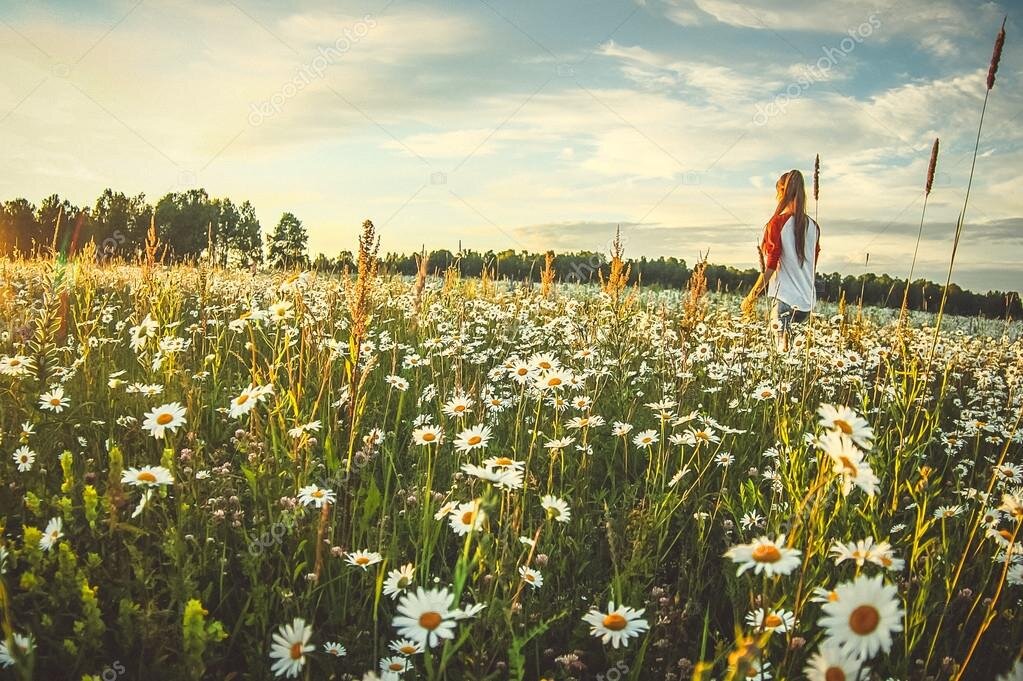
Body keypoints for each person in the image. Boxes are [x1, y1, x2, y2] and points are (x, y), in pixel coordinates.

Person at [742, 169, 820, 351]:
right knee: (797, 359)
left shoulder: (777, 223)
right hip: (807, 304)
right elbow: (812, 267)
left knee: (782, 356)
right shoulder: (814, 227)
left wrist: (751, 296)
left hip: (784, 299)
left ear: (782, 192)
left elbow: (769, 266)